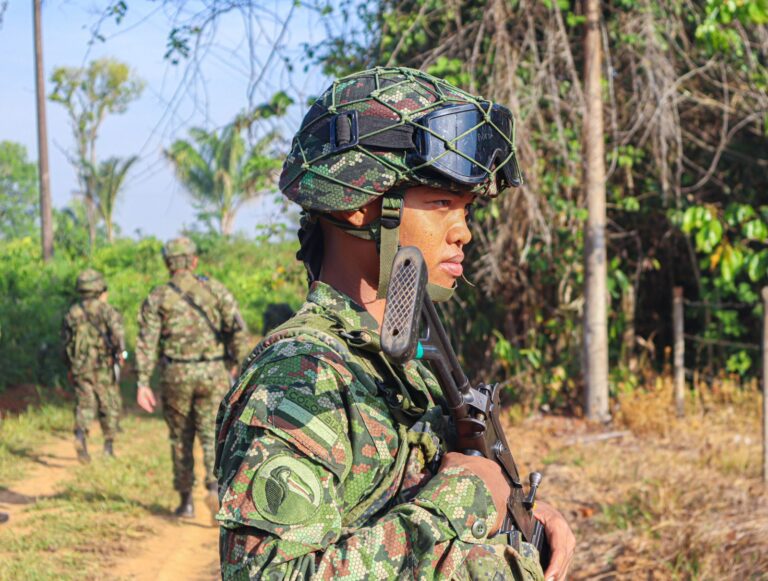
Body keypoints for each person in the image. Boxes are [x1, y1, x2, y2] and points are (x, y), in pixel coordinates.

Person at [214, 67, 575, 580]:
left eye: (467, 210)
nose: (463, 233)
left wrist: (523, 522)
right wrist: (460, 500)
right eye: (442, 204)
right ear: (363, 206)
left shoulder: (399, 361)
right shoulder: (301, 376)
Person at [135, 237, 250, 520]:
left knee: (179, 437)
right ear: (193, 261)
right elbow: (237, 330)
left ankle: (186, 502)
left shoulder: (158, 296)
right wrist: (238, 366)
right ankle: (214, 489)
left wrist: (142, 382)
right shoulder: (214, 290)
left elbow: (146, 343)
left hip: (175, 374)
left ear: (168, 264)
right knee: (213, 434)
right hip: (212, 373)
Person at [62, 268, 125, 462]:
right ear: (99, 287)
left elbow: (65, 344)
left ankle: (80, 436)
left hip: (80, 367)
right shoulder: (107, 311)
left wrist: (69, 368)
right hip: (103, 367)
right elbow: (118, 337)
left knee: (84, 404)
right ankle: (108, 447)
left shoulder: (72, 313)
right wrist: (121, 355)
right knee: (108, 405)